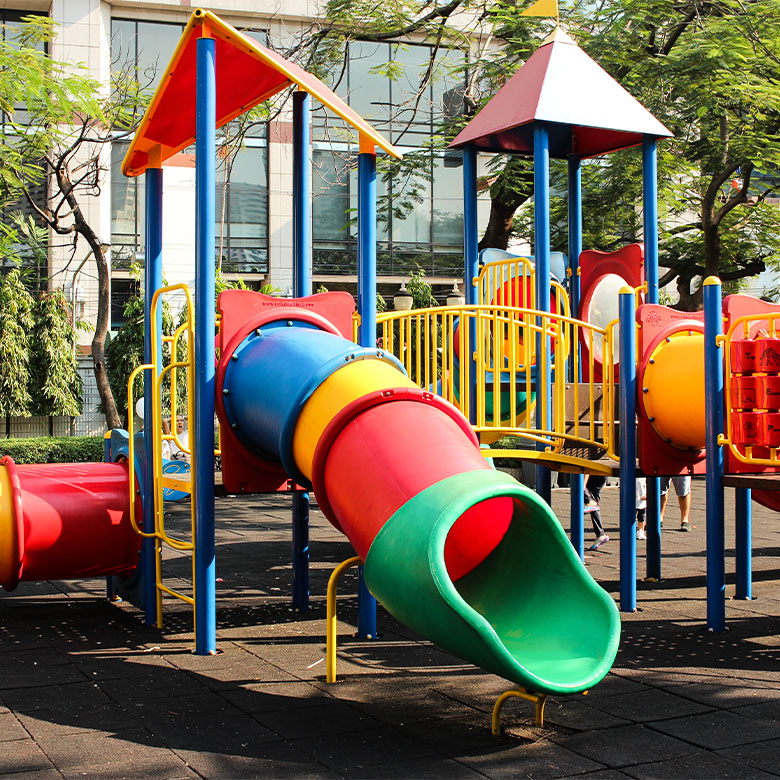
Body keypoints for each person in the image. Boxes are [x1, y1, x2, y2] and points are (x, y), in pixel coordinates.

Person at [585, 474, 609, 550]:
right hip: (600, 472)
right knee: (594, 500)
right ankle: (600, 534)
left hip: (593, 472)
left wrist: (583, 484)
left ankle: (588, 502)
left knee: (590, 502)